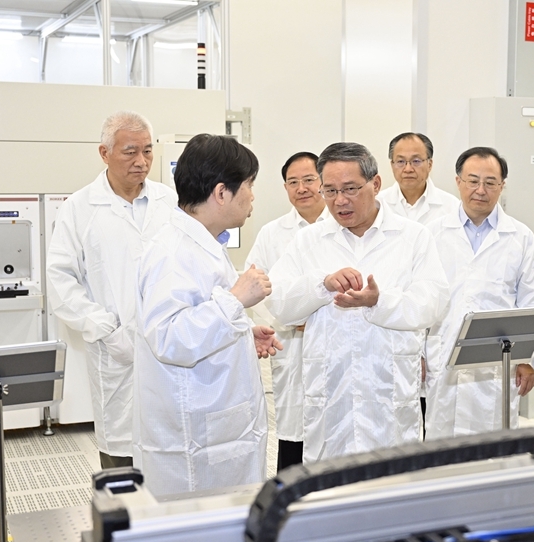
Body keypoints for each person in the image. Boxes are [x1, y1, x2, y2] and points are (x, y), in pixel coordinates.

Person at [267, 142, 449, 463]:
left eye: (350, 189)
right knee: (329, 482)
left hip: (389, 394)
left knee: (390, 480)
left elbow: (433, 303)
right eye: (330, 190)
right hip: (330, 396)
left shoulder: (412, 237)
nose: (340, 200)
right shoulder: (309, 240)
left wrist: (379, 301)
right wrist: (321, 285)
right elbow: (279, 303)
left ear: (375, 184)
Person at [133, 134, 280, 495]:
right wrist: (235, 301)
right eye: (249, 185)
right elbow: (169, 337)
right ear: (221, 192)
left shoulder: (204, 244)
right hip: (194, 437)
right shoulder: (172, 252)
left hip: (218, 423)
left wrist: (242, 332)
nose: (252, 196)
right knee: (201, 519)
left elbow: (201, 314)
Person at [47, 111, 177, 469]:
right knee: (122, 454)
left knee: (171, 449)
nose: (142, 161)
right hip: (115, 349)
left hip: (168, 343)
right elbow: (60, 280)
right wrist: (106, 329)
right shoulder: (79, 208)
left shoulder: (169, 202)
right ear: (104, 153)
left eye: (148, 151)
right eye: (130, 152)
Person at [424, 147, 534, 438]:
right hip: (443, 357)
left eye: (490, 182)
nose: (480, 190)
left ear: (502, 186)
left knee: (493, 446)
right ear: (458, 182)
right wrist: (418, 353)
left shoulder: (520, 237)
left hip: (498, 364)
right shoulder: (432, 234)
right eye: (473, 181)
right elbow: (419, 299)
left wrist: (528, 360)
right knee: (441, 448)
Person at [245, 152, 329, 470]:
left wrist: (319, 319)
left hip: (332, 342)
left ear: (323, 181)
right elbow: (254, 290)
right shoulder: (272, 233)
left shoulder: (342, 226)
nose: (301, 188)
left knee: (334, 435)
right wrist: (289, 320)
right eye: (293, 182)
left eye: (309, 180)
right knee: (294, 439)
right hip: (291, 347)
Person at [377, 132, 458, 225]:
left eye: (416, 161)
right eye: (400, 161)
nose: (408, 169)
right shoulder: (378, 204)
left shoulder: (451, 206)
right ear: (392, 165)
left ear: (429, 164)